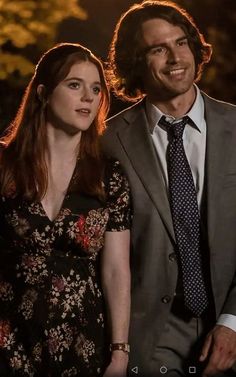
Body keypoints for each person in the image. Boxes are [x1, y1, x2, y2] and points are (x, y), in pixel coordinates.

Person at [102, 1, 236, 376]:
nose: (176, 58)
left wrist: (232, 321)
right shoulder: (108, 141)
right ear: (135, 62)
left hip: (228, 320)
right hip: (148, 338)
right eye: (158, 49)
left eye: (181, 43)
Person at [0, 42, 131, 377]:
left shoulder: (108, 176)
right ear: (43, 92)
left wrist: (119, 352)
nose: (89, 97)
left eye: (95, 88)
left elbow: (116, 269)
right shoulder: (4, 165)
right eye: (75, 85)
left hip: (82, 341)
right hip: (7, 337)